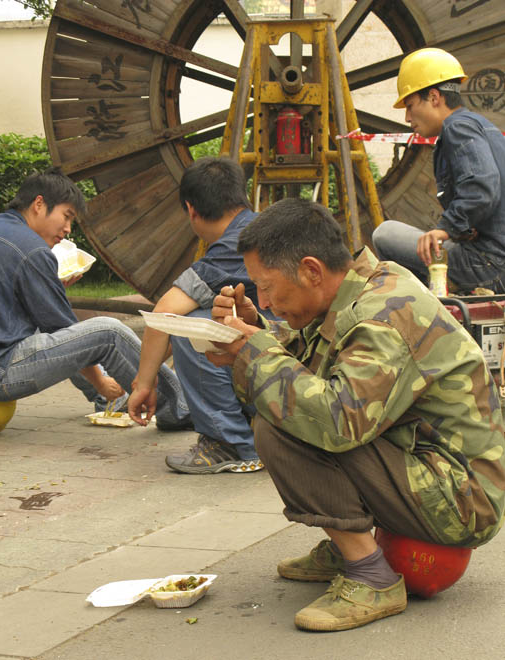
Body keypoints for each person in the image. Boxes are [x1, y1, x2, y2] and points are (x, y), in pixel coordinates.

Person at [208, 197, 505, 632]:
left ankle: (371, 573)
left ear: (312, 270)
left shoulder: (381, 314)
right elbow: (323, 369)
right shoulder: (364, 285)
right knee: (290, 406)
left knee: (281, 426)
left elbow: (337, 420)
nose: (265, 301)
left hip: (462, 499)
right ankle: (357, 543)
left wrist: (253, 354)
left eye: (267, 287)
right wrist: (264, 334)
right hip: (427, 465)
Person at [0, 168, 189, 430]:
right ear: (39, 204)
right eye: (66, 217)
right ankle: (180, 409)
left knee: (60, 326)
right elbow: (64, 329)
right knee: (106, 332)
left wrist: (50, 287)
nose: (67, 229)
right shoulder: (32, 250)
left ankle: (110, 400)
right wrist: (101, 382)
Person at [128, 156, 269, 474]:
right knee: (205, 315)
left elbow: (165, 314)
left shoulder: (235, 246)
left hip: (288, 381)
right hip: (310, 372)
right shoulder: (262, 227)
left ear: (191, 210)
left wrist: (144, 386)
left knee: (196, 326)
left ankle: (230, 443)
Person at [372, 47, 505, 294]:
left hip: (489, 265)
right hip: (494, 259)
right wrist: (465, 229)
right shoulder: (483, 127)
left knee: (385, 233)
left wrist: (445, 229)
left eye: (410, 105)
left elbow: (482, 187)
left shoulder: (457, 128)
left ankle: (432, 302)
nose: (408, 117)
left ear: (434, 97)